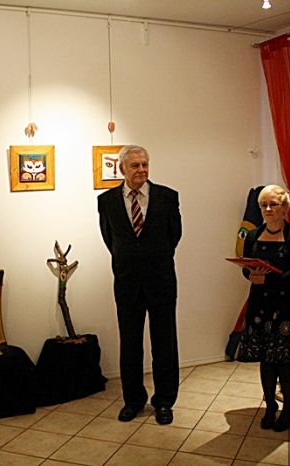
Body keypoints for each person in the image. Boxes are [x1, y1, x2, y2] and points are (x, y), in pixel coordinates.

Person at [97, 145, 182, 425]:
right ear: (122, 168)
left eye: (145, 164)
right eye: (135, 165)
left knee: (165, 344)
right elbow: (110, 240)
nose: (142, 170)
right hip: (127, 283)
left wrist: (152, 258)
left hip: (161, 281)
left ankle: (164, 401)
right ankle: (133, 400)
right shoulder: (107, 201)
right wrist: (130, 260)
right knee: (130, 345)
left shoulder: (167, 197)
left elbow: (174, 236)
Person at [237, 184, 290, 432]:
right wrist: (250, 275)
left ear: (285, 207)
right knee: (266, 360)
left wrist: (270, 279)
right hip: (260, 304)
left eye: (273, 204)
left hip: (286, 305)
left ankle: (287, 408)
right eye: (263, 205)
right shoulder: (253, 235)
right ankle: (270, 406)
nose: (267, 209)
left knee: (284, 361)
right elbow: (247, 266)